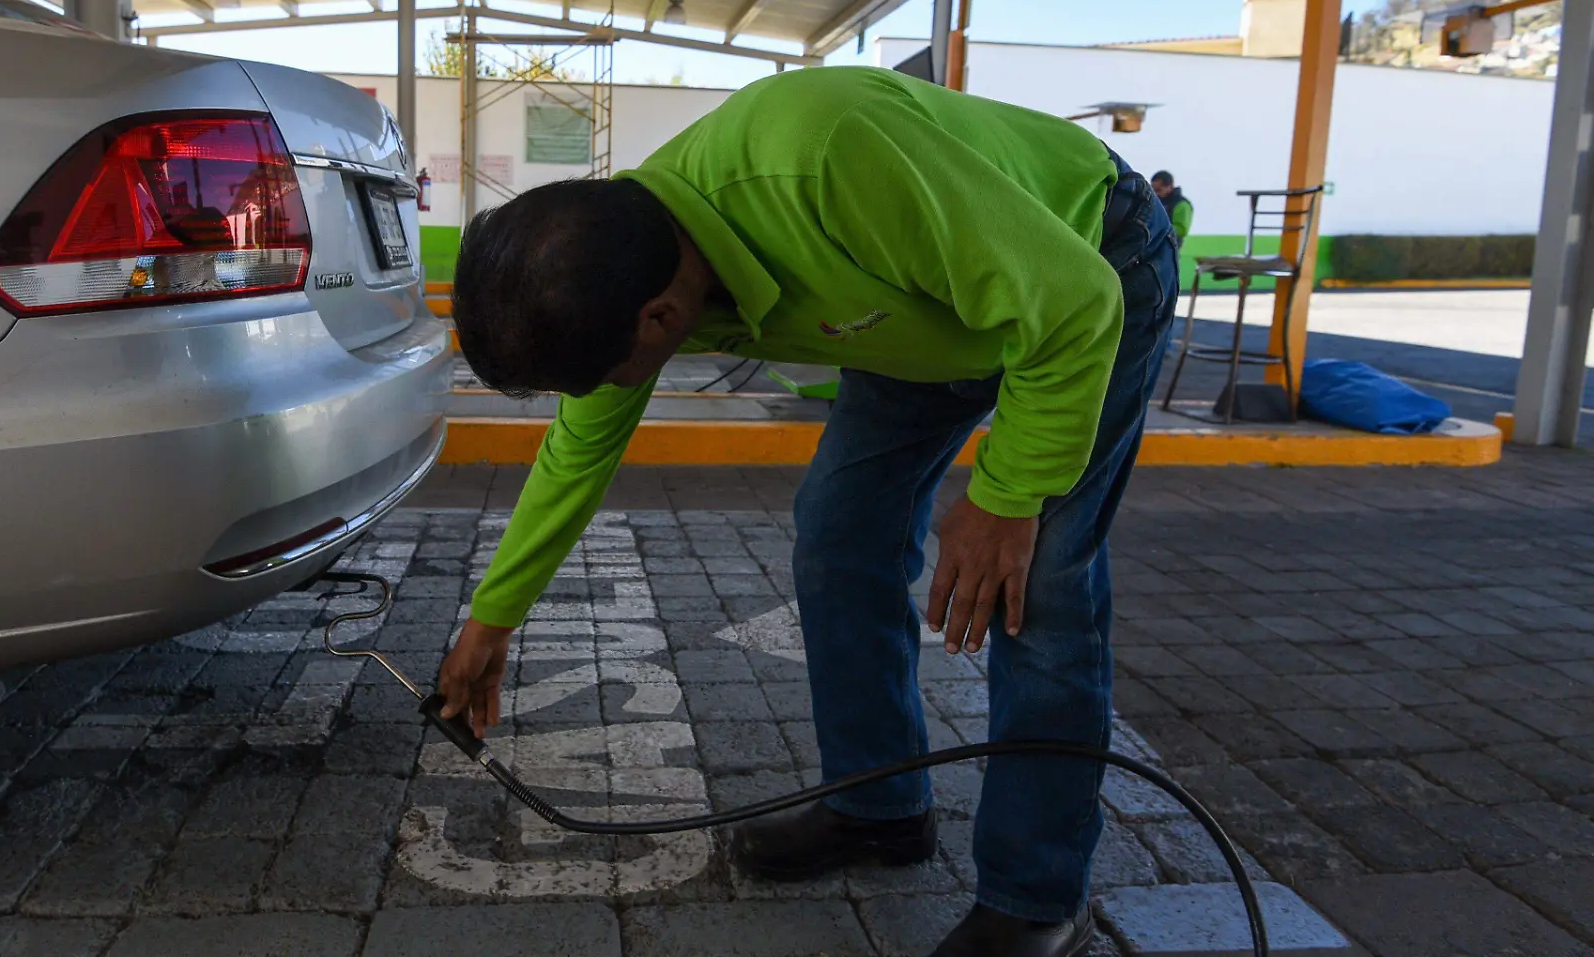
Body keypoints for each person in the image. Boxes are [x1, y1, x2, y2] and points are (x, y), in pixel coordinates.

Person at [438, 66, 1178, 957]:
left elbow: (1072, 303)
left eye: (606, 377)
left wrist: (1005, 497)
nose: (603, 396)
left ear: (662, 316)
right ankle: (879, 808)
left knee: (1041, 586)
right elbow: (578, 451)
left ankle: (1038, 898)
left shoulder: (829, 162)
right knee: (838, 533)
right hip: (914, 308)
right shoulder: (620, 265)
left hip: (1085, 263)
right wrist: (492, 619)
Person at [1150, 170, 1192, 246]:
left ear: (1170, 186)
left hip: (1169, 247)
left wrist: (1156, 230)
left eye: (1159, 190)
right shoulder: (1153, 202)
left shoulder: (1181, 204)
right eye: (1153, 190)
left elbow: (1182, 229)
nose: (1156, 194)